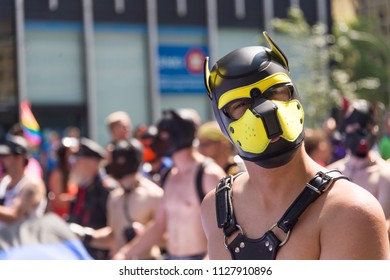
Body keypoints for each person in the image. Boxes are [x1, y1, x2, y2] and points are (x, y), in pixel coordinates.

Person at [200, 31, 389, 260]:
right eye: (241, 104)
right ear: (222, 120)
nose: (267, 110)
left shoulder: (348, 212)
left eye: (277, 92)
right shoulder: (216, 209)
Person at [113, 108, 226, 260]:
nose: (156, 141)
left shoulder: (209, 174)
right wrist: (125, 253)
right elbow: (159, 224)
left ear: (175, 137)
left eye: (162, 136)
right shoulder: (169, 176)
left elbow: (225, 230)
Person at [78, 138, 164, 259]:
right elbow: (114, 236)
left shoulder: (154, 195)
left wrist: (144, 235)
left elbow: (168, 238)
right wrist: (83, 235)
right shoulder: (115, 196)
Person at [327, 99, 390, 238]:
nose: (361, 135)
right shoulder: (331, 173)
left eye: (367, 128)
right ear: (345, 130)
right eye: (355, 128)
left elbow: (383, 225)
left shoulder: (384, 175)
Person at [67, 137, 118, 259]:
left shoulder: (107, 189)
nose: (73, 166)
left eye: (77, 161)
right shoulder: (83, 187)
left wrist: (84, 234)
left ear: (91, 163)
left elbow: (115, 229)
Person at [0, 135, 47, 229]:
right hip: (5, 241)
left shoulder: (32, 184)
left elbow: (14, 215)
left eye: (6, 156)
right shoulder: (4, 181)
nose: (2, 160)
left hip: (25, 242)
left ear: (20, 158)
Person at [47, 137, 79, 219]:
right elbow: (58, 201)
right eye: (71, 153)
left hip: (75, 217)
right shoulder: (57, 174)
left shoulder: (76, 172)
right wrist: (79, 199)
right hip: (61, 219)